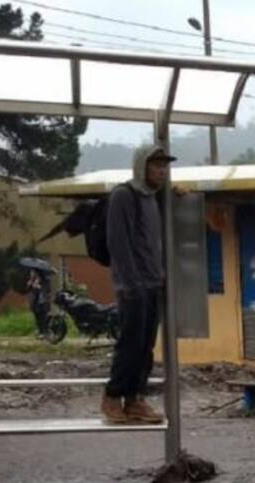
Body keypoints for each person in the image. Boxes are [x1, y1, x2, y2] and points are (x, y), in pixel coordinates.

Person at [101, 144, 175, 425]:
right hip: (133, 285)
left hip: (152, 282)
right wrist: (131, 282)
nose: (162, 170)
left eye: (164, 166)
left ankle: (135, 399)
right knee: (130, 343)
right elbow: (119, 243)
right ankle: (112, 396)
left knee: (145, 346)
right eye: (156, 165)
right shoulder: (124, 195)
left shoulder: (151, 198)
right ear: (142, 166)